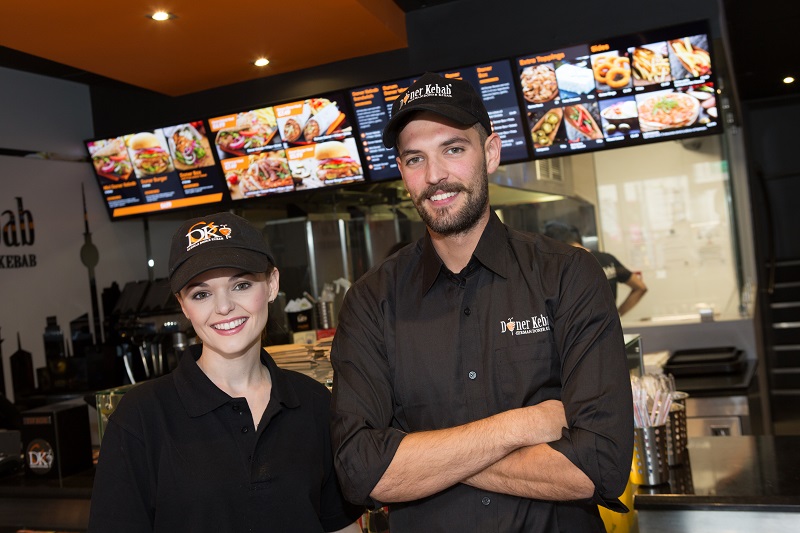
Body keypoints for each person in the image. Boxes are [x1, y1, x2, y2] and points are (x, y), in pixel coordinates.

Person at [329, 72, 634, 532]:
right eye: (416, 158)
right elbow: (359, 473)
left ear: (490, 153)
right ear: (402, 171)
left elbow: (600, 465)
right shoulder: (371, 302)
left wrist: (416, 456)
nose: (435, 176)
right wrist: (522, 426)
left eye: (453, 149)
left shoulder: (567, 274)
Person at [89, 212, 363, 533]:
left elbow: (340, 527)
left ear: (272, 284)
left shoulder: (314, 402)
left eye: (241, 285)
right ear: (183, 305)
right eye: (201, 293)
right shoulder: (141, 417)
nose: (223, 307)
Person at [543, 221, 647, 317]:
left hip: (585, 333)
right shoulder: (607, 259)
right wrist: (617, 315)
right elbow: (640, 287)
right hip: (610, 330)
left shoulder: (571, 265)